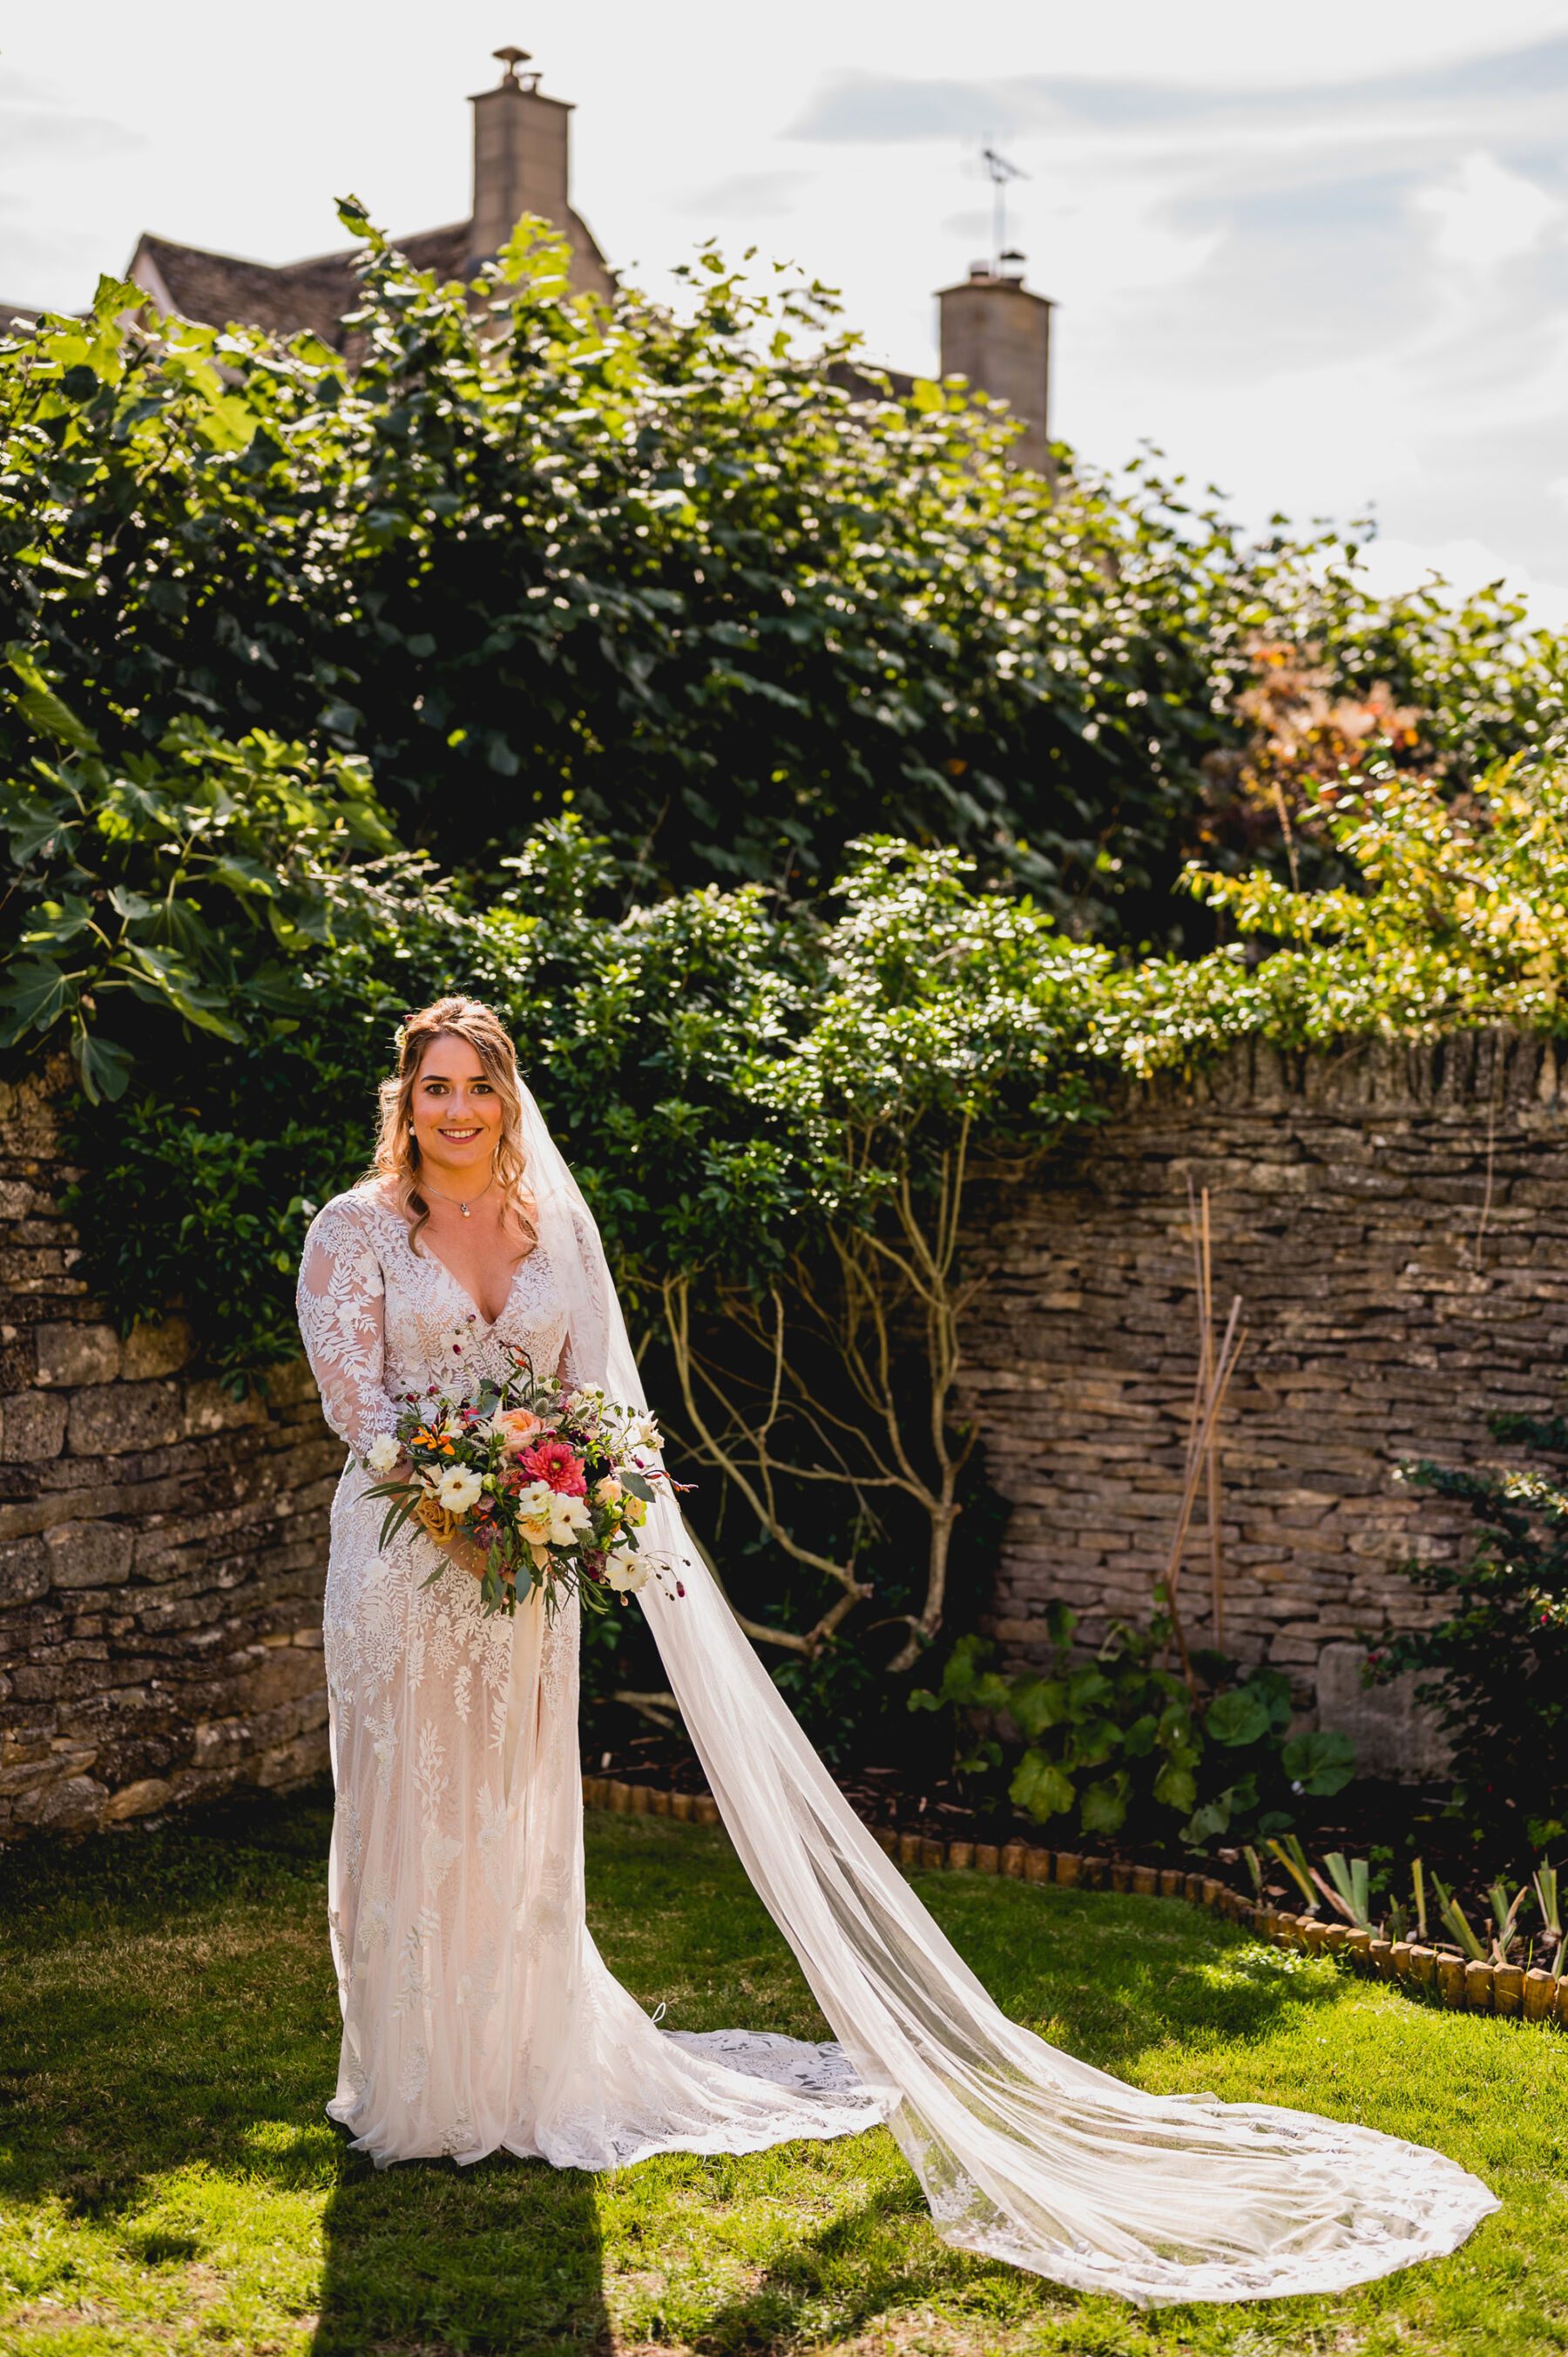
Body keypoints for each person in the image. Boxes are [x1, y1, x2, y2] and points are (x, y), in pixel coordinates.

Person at [297, 994, 1497, 2308]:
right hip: (407, 1569)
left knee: (517, 1814)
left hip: (527, 1572)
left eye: (479, 1087)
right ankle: (409, 2089)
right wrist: (460, 1521)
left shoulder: (549, 1229)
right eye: (436, 1089)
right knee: (411, 1808)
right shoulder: (354, 1231)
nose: (458, 1110)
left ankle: (512, 2074)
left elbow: (592, 1402)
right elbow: (360, 1408)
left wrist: (555, 1506)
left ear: (508, 1098)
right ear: (402, 1101)